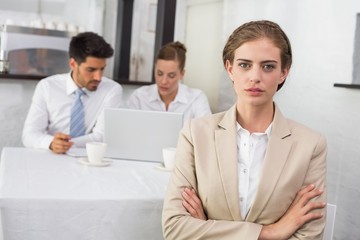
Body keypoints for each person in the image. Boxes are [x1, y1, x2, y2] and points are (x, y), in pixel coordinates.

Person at [162, 20, 327, 239]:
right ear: (230, 69)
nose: (255, 77)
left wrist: (208, 228)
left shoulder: (311, 145)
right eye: (244, 65)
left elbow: (309, 235)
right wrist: (269, 233)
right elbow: (174, 228)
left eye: (268, 66)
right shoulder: (195, 133)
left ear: (283, 72)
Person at [22, 32, 123, 154]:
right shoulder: (47, 87)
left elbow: (102, 136)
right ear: (73, 64)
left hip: (90, 158)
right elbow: (29, 135)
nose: (98, 77)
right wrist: (50, 143)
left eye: (102, 69)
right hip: (52, 157)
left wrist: (65, 144)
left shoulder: (111, 90)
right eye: (91, 70)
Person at [127, 41, 211, 120]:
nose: (164, 81)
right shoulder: (139, 97)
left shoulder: (196, 98)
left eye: (171, 76)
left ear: (182, 74)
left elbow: (206, 132)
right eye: (159, 73)